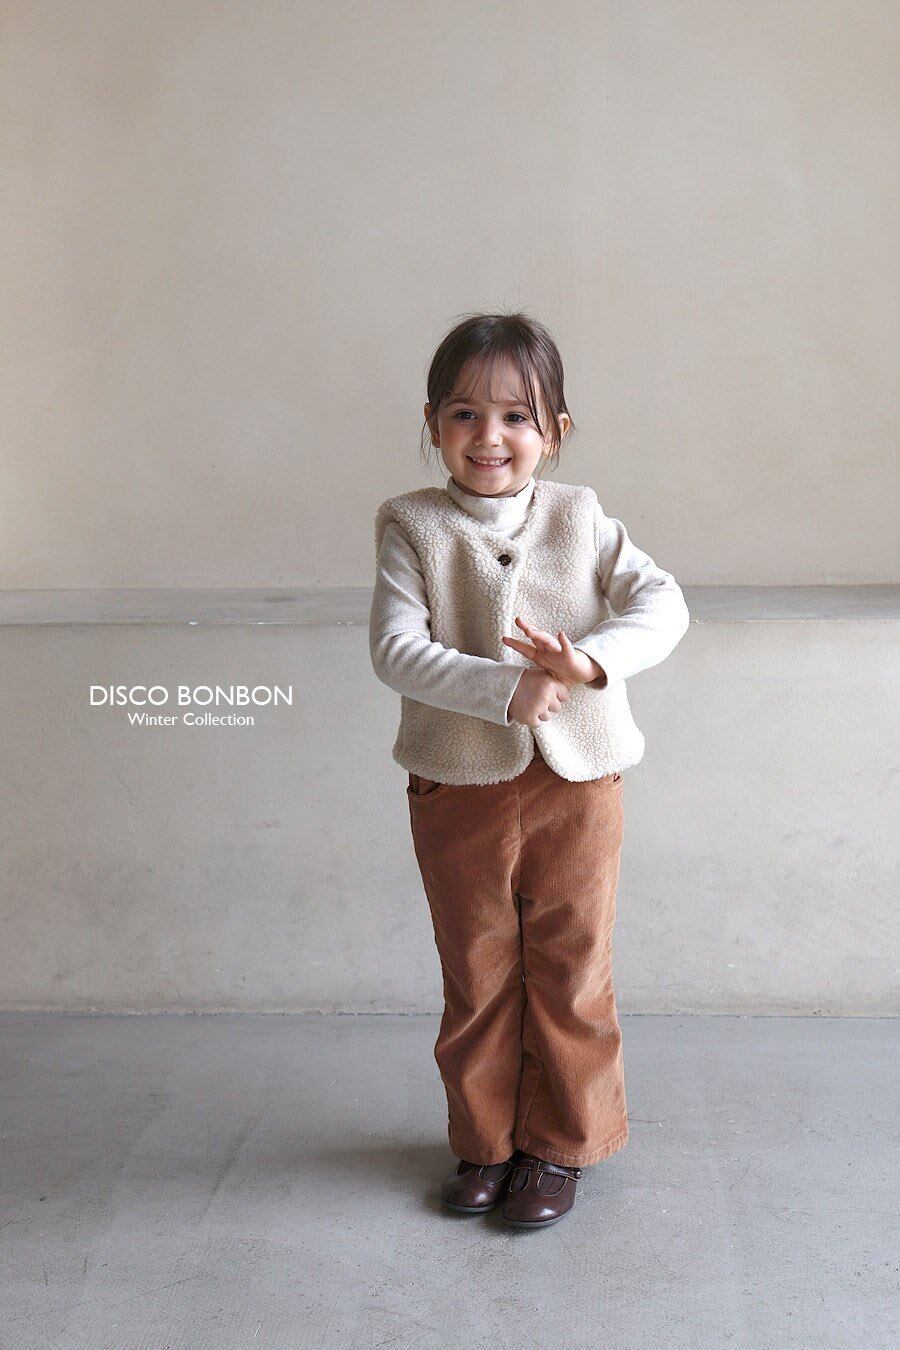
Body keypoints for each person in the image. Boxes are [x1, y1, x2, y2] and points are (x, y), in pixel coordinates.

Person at [369, 311, 690, 1230]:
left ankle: (562, 1146)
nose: (490, 436)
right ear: (433, 424)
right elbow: (395, 650)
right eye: (465, 413)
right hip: (457, 783)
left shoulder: (582, 516)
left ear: (555, 430)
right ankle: (485, 1142)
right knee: (476, 967)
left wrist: (588, 662)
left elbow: (663, 603)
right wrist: (504, 689)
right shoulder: (412, 526)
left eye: (517, 416)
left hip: (578, 783)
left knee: (572, 965)